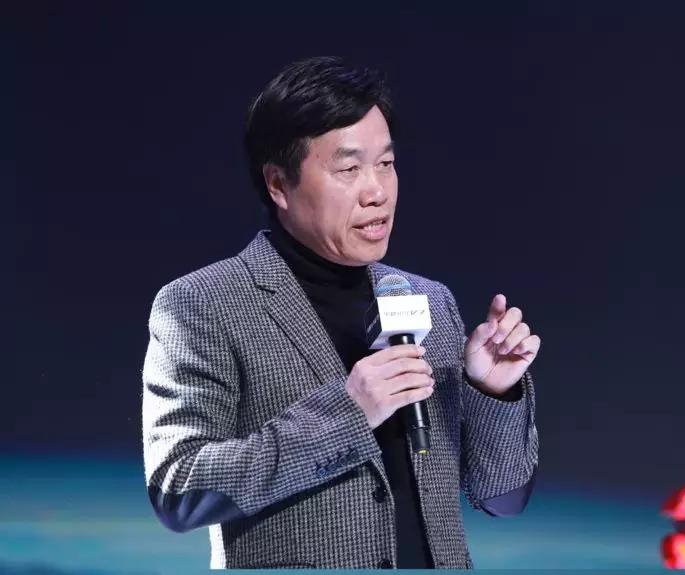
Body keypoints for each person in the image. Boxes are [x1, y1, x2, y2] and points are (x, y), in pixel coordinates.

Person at [142, 56, 540, 569]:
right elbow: (178, 489)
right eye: (349, 169)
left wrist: (492, 392)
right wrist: (347, 413)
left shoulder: (430, 302)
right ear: (278, 184)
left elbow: (503, 498)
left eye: (386, 164)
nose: (377, 192)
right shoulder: (202, 304)